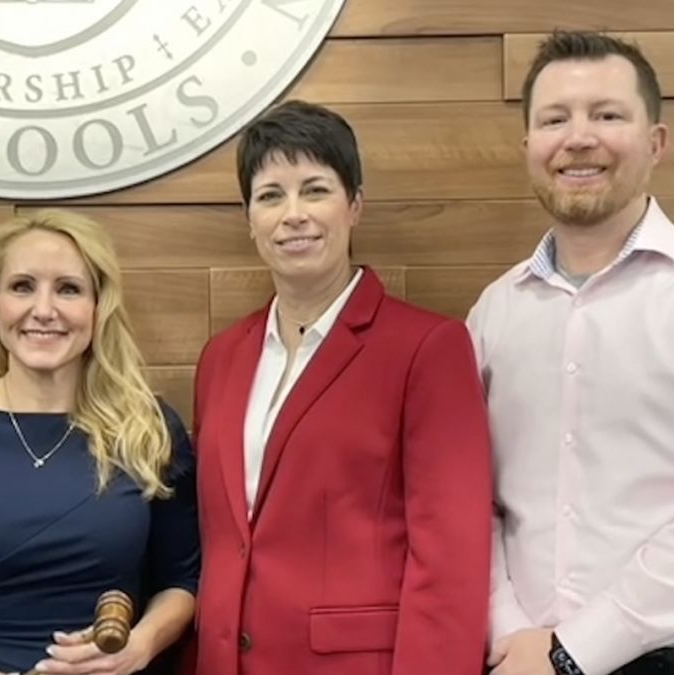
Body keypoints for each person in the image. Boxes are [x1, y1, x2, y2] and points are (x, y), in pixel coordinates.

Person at [470, 31, 674, 675]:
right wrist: (512, 629)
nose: (578, 137)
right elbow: (472, 495)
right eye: (554, 119)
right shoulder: (494, 313)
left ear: (655, 143)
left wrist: (577, 651)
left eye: (606, 115)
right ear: (528, 149)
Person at [192, 99, 492, 675]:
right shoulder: (222, 358)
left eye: (315, 190)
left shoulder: (427, 348)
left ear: (355, 205)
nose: (293, 214)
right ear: (249, 218)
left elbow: (450, 560)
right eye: (270, 195)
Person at [0, 209, 199, 675]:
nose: (44, 309)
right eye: (22, 286)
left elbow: (183, 579)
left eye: (68, 289)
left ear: (98, 308)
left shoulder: (149, 426)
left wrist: (140, 645)